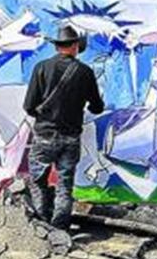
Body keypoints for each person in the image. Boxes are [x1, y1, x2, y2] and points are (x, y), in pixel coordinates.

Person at [22, 25, 104, 229]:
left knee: (38, 182)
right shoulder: (85, 72)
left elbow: (29, 106)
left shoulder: (41, 68)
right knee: (64, 185)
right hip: (70, 138)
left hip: (44, 136)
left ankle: (41, 228)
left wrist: (45, 118)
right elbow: (97, 108)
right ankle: (60, 229)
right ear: (75, 45)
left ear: (58, 45)